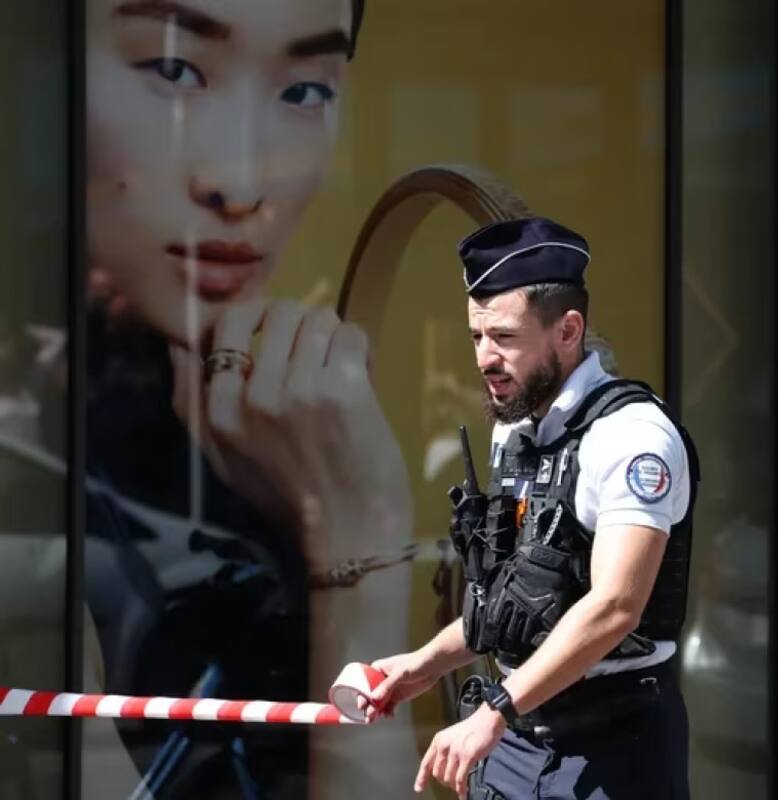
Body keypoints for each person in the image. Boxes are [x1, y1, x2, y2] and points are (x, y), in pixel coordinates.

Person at [82, 1, 417, 796]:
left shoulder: (254, 430)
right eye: (171, 70)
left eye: (305, 91)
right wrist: (360, 560)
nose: (239, 184)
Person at [362, 216, 700, 799]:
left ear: (568, 330)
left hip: (613, 750)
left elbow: (616, 605)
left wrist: (494, 710)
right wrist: (423, 665)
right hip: (517, 739)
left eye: (505, 337)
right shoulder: (516, 432)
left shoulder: (632, 437)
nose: (484, 358)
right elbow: (517, 602)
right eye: (476, 337)